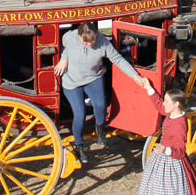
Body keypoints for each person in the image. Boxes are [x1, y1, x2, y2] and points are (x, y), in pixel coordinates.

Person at [54, 22, 145, 164]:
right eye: (86, 41)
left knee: (101, 104)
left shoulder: (103, 42)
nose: (90, 44)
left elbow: (117, 59)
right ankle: (79, 146)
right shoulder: (69, 37)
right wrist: (64, 59)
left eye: (93, 40)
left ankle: (100, 127)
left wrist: (135, 75)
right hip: (72, 82)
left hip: (93, 78)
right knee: (79, 115)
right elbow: (64, 47)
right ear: (79, 37)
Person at [134, 83, 196, 195]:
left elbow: (181, 152)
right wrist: (149, 88)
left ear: (177, 104)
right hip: (162, 158)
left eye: (167, 101)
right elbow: (159, 105)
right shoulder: (171, 113)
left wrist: (166, 149)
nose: (164, 104)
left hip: (172, 162)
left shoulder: (180, 125)